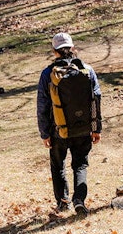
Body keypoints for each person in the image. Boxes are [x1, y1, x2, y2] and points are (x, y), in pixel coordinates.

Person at [36, 32, 102, 215]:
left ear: (54, 51)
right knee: (80, 164)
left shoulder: (48, 74)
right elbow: (96, 99)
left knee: (58, 165)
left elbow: (42, 105)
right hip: (83, 128)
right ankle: (79, 199)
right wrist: (96, 128)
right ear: (72, 48)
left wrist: (44, 133)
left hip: (58, 130)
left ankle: (63, 202)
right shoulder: (87, 70)